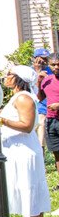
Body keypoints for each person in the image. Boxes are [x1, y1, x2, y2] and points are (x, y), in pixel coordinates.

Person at [0, 66, 53, 217]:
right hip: (17, 149)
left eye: (9, 75)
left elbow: (27, 125)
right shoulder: (19, 97)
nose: (6, 77)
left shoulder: (23, 98)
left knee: (27, 190)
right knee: (31, 190)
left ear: (18, 79)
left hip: (24, 150)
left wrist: (1, 119)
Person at [38, 54, 59, 189]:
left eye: (58, 64)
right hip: (51, 120)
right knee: (57, 153)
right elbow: (40, 98)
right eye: (53, 64)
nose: (56, 67)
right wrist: (39, 81)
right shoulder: (47, 80)